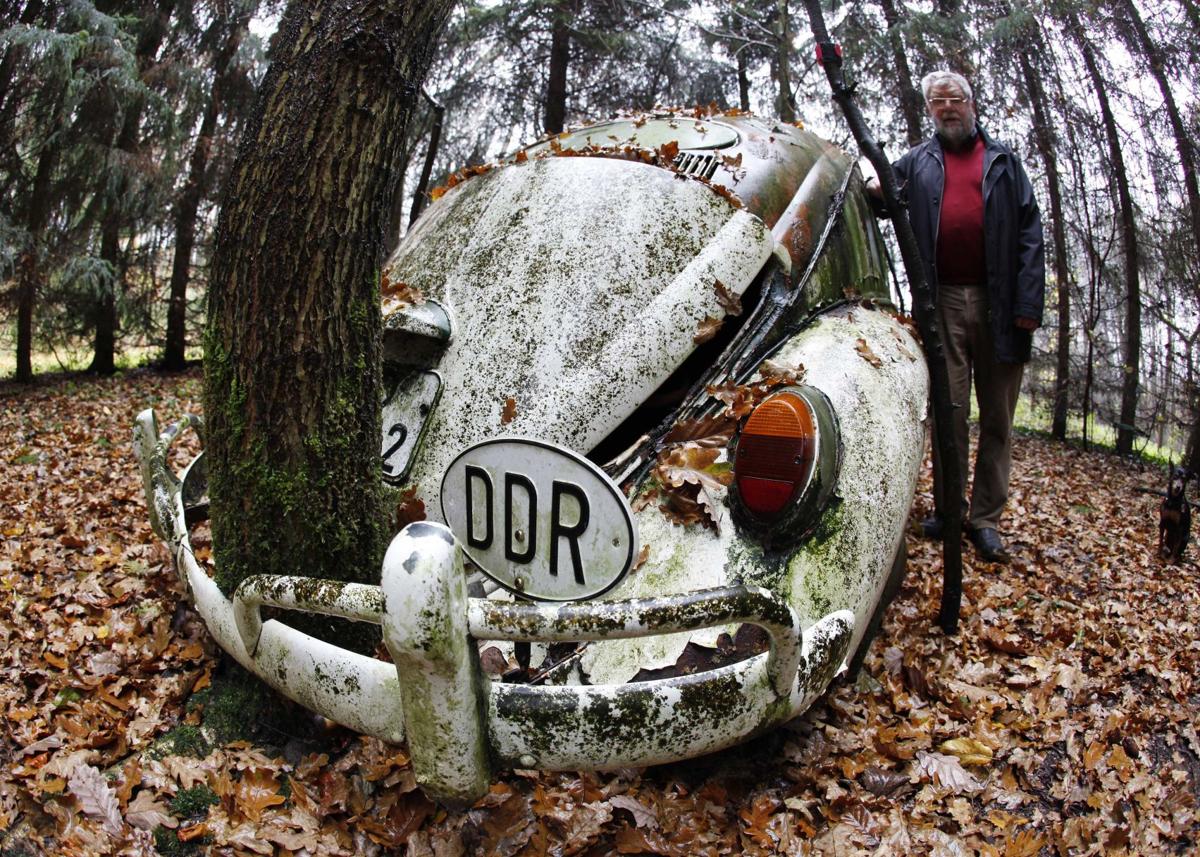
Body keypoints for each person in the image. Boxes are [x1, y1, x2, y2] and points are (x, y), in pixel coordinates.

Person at [867, 70, 1045, 563]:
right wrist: (868, 177)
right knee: (950, 415)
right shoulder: (918, 162)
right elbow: (879, 195)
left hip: (1003, 304)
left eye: (955, 100)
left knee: (997, 419)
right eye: (937, 102)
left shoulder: (1004, 163)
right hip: (941, 301)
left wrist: (1029, 305)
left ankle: (985, 520)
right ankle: (948, 511)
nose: (947, 108)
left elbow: (1031, 234)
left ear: (972, 103)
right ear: (929, 110)